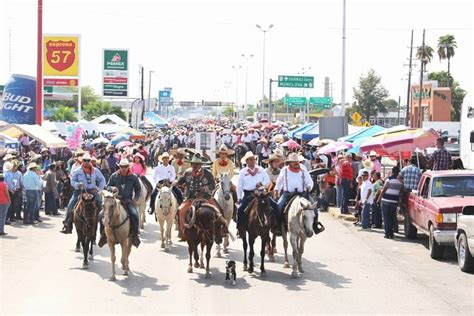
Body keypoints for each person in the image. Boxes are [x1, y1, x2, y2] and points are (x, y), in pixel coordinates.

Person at [98, 159, 142, 248]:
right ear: (119, 167)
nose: (123, 169)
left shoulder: (133, 177)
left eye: (125, 167)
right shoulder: (114, 176)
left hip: (127, 201)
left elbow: (138, 189)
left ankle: (134, 235)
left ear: (128, 167)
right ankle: (103, 235)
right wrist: (112, 188)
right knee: (101, 215)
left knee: (135, 214)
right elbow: (107, 186)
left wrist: (136, 198)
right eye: (122, 167)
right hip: (114, 201)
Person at [176, 153, 219, 241]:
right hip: (191, 198)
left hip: (205, 198)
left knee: (218, 211)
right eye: (193, 163)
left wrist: (204, 188)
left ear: (201, 164)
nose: (195, 165)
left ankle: (220, 232)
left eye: (197, 164)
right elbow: (180, 181)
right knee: (180, 210)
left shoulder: (207, 173)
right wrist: (177, 183)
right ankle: (182, 232)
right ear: (191, 164)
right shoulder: (187, 172)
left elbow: (213, 185)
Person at [274, 153, 320, 233]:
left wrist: (309, 186)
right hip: (288, 193)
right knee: (278, 206)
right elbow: (279, 181)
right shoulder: (284, 170)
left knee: (313, 207)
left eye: (297, 161)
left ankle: (315, 225)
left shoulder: (303, 170)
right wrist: (277, 189)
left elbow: (309, 181)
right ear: (290, 162)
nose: (296, 163)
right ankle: (278, 226)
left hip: (302, 193)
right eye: (294, 161)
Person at [60, 153, 106, 234]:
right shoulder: (77, 171)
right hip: (80, 191)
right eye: (85, 160)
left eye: (88, 161)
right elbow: (72, 181)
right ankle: (67, 224)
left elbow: (102, 180)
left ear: (90, 161)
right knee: (71, 204)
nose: (86, 162)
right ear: (82, 161)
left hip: (93, 191)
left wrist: (99, 189)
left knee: (101, 204)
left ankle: (104, 226)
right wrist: (78, 185)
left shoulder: (96, 170)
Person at [236, 151, 271, 233]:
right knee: (240, 209)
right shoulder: (243, 172)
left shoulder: (261, 169)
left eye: (253, 159)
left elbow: (267, 181)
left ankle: (274, 225)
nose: (252, 161)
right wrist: (239, 197)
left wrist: (261, 183)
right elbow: (239, 186)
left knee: (273, 206)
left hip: (261, 193)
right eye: (250, 159)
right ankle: (239, 228)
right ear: (246, 161)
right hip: (249, 194)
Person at [377, 169, 404, 239]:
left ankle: (387, 233)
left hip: (386, 201)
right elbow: (400, 193)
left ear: (392, 172)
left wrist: (378, 199)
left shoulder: (388, 180)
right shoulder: (401, 182)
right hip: (394, 202)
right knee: (392, 218)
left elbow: (383, 190)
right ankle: (391, 233)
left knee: (386, 218)